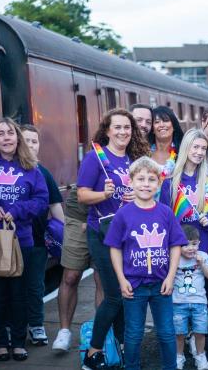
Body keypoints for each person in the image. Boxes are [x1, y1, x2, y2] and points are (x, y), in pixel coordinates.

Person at [78, 108, 149, 370]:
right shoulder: (95, 158)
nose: (123, 132)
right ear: (107, 130)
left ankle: (118, 347)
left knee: (125, 293)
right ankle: (92, 352)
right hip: (104, 234)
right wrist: (105, 195)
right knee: (114, 297)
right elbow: (82, 196)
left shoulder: (134, 159)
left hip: (129, 236)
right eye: (117, 127)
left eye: (127, 127)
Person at [105, 157, 186, 370]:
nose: (146, 184)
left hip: (161, 284)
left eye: (151, 179)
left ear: (159, 184)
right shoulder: (123, 214)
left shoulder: (165, 212)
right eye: (140, 179)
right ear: (131, 182)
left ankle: (170, 367)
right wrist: (121, 279)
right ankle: (131, 367)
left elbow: (176, 245)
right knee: (133, 333)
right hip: (134, 284)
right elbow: (115, 248)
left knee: (167, 331)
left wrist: (170, 276)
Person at [0, 117, 49, 361]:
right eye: (0, 134)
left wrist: (18, 211)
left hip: (22, 239)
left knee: (19, 294)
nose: (6, 138)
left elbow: (42, 200)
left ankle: (19, 341)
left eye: (10, 133)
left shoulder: (31, 167)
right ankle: (0, 342)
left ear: (17, 138)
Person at [21, 124, 66, 347]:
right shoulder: (6, 171)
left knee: (35, 285)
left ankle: (36, 325)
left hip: (37, 240)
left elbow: (56, 209)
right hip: (9, 241)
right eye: (26, 140)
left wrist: (66, 239)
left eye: (34, 141)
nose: (30, 145)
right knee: (12, 286)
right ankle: (15, 326)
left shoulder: (43, 173)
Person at [53, 187, 105, 352]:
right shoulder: (96, 160)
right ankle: (64, 331)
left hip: (108, 213)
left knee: (101, 279)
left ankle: (100, 335)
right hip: (80, 212)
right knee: (71, 276)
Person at [160, 129, 208, 255]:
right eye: (195, 147)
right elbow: (165, 214)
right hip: (180, 247)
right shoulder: (170, 181)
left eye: (203, 148)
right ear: (186, 147)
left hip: (207, 245)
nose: (199, 152)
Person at [174, 225, 208, 370]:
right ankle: (179, 356)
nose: (190, 248)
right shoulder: (175, 257)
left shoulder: (203, 256)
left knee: (200, 332)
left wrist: (202, 264)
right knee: (179, 333)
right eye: (185, 244)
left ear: (199, 243)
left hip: (199, 302)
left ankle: (200, 355)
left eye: (194, 244)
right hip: (178, 302)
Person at [150, 106, 184, 178]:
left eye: (166, 120)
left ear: (174, 126)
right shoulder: (145, 151)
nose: (161, 125)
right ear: (152, 128)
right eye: (157, 122)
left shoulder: (183, 152)